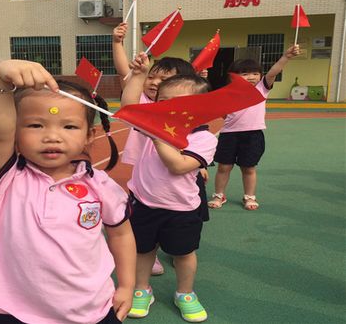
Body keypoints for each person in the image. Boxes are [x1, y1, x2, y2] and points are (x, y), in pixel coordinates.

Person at [0, 59, 136, 324]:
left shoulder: (100, 185)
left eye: (69, 127)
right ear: (16, 134)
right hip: (15, 311)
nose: (52, 137)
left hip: (90, 309)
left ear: (89, 135)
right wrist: (0, 79)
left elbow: (121, 233)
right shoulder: (7, 177)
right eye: (36, 125)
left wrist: (127, 285)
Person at [123, 52, 217, 322]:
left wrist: (157, 134)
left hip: (181, 208)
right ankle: (142, 290)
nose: (167, 108)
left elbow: (177, 165)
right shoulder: (153, 123)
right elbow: (130, 104)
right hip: (144, 202)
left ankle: (185, 293)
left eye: (178, 104)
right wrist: (139, 75)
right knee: (142, 251)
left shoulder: (203, 138)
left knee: (184, 253)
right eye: (162, 102)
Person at [113, 22, 196, 276]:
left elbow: (197, 148)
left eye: (164, 79)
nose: (154, 82)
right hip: (145, 167)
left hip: (179, 171)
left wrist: (200, 167)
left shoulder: (187, 115)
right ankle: (151, 253)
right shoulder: (146, 104)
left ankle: (176, 248)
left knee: (178, 215)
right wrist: (118, 44)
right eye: (152, 76)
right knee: (147, 210)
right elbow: (128, 102)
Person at [208, 44, 300, 210]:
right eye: (245, 73)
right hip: (229, 135)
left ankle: (249, 197)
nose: (251, 77)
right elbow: (222, 112)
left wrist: (286, 57)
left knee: (248, 168)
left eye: (255, 73)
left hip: (252, 135)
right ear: (233, 76)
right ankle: (219, 195)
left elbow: (274, 71)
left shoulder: (262, 88)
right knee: (224, 167)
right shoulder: (228, 92)